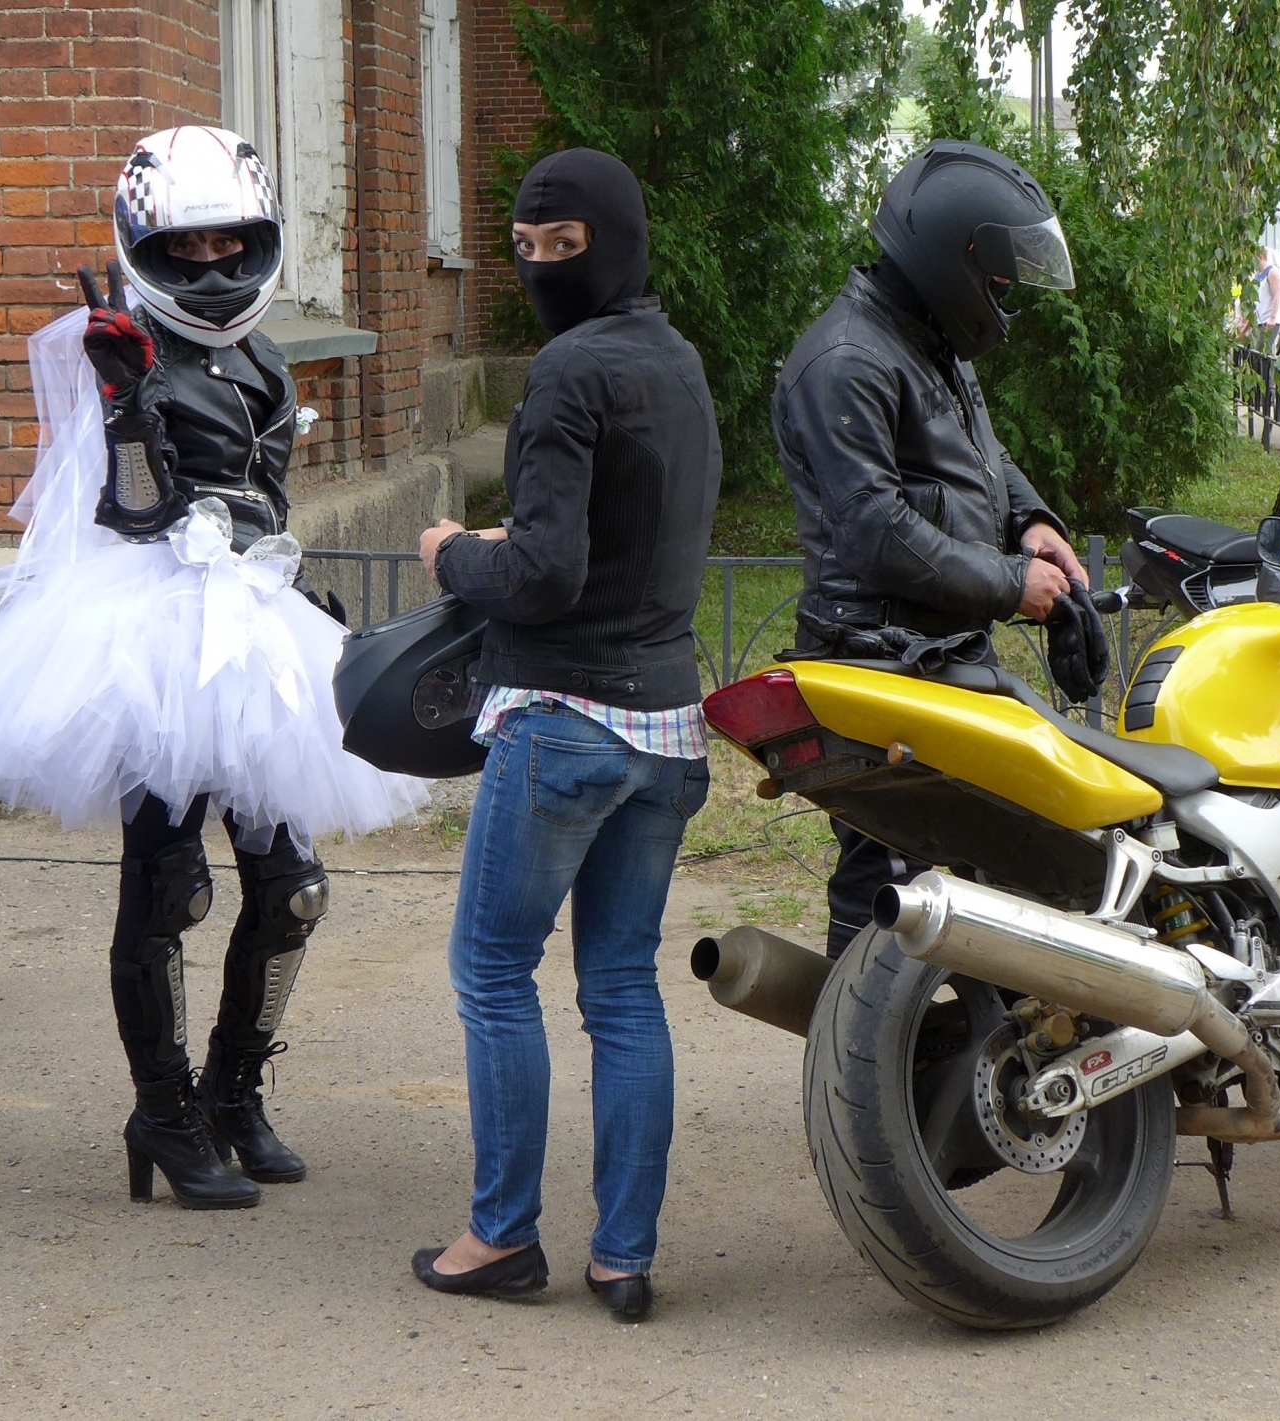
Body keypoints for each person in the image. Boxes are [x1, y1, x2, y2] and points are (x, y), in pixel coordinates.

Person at [0, 126, 428, 1210]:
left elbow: (268, 503)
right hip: (155, 634)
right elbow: (133, 510)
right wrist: (124, 403)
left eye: (224, 243)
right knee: (169, 884)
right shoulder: (121, 346)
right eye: (183, 247)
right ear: (146, 246)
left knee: (292, 892)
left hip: (252, 622)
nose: (206, 263)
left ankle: (234, 1095)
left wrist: (291, 594)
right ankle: (162, 1111)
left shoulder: (268, 358)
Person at [408, 147, 720, 1325]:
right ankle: (622, 1257)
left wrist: (451, 552)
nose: (541, 268)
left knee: (492, 971)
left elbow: (543, 575)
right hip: (665, 728)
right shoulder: (675, 361)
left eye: (562, 247)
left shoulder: (566, 369)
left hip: (565, 724)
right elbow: (621, 532)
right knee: (622, 986)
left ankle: (499, 1234)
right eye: (525, 249)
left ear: (614, 242)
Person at [771, 139, 1099, 959]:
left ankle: (969, 1030)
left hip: (936, 650)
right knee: (890, 867)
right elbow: (875, 530)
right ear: (956, 257)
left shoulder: (925, 339)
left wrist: (1032, 522)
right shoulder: (848, 360)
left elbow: (981, 456)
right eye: (1000, 279)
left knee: (982, 864)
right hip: (877, 656)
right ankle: (857, 1030)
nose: (1006, 295)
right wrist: (1010, 583)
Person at [1252, 250, 1280, 352]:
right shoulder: (1258, 275)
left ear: (1260, 257)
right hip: (1259, 320)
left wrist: (1272, 317)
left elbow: (1278, 295)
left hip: (1269, 321)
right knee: (1259, 352)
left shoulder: (1273, 272)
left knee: (1262, 352)